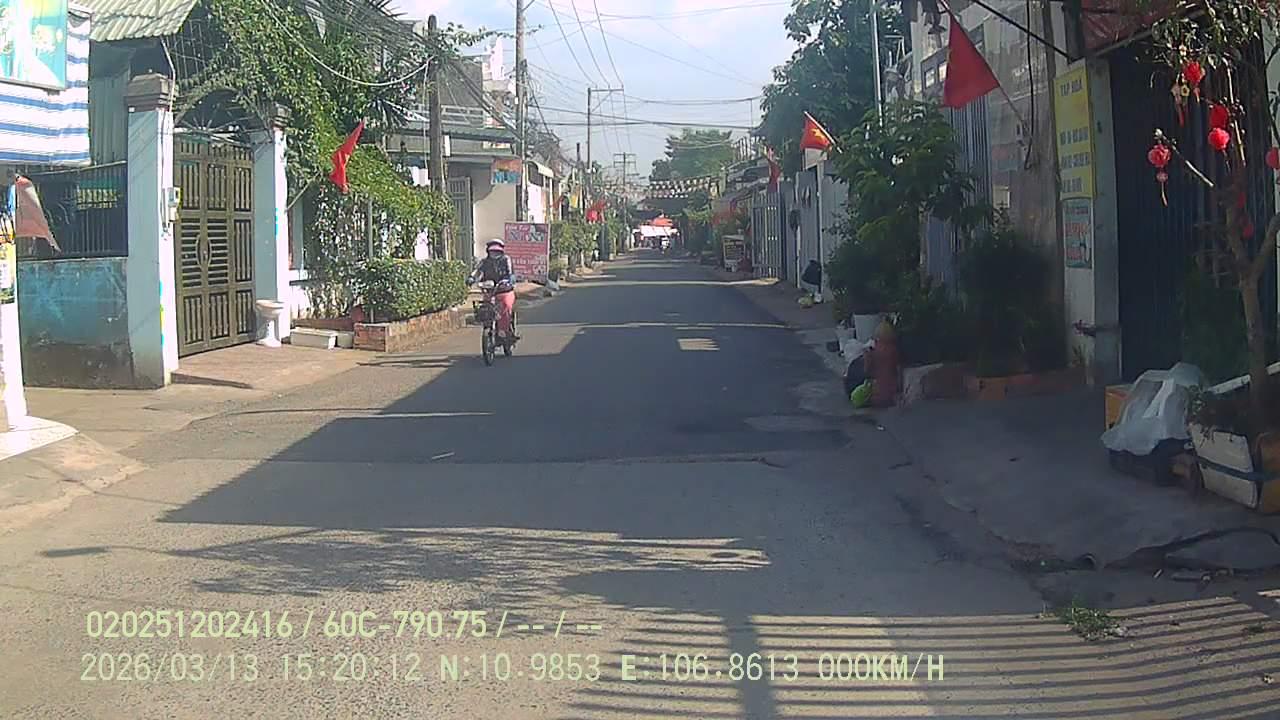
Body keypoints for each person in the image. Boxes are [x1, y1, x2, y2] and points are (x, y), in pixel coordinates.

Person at [467, 239, 518, 340]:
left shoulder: (506, 260)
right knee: (486, 308)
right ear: (488, 252)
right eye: (492, 251)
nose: (494, 254)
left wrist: (509, 280)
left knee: (506, 306)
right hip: (489, 291)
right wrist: (471, 278)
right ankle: (488, 325)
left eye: (497, 251)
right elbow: (477, 271)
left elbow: (511, 273)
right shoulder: (484, 262)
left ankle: (504, 330)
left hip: (505, 290)